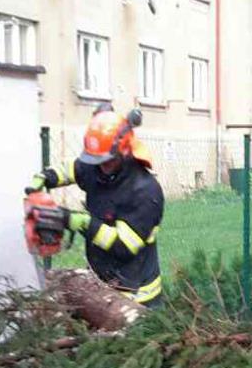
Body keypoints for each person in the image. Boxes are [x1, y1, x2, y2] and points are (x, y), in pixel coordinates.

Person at [28, 106, 166, 307]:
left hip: (136, 294)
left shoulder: (145, 191)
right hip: (101, 280)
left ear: (124, 150)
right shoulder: (98, 165)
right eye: (96, 159)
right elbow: (73, 169)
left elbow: (123, 247)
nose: (102, 165)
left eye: (107, 161)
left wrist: (79, 221)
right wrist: (46, 177)